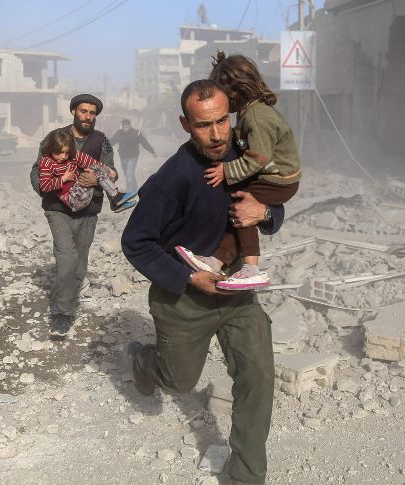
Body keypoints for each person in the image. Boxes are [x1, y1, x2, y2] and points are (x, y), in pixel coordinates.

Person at [121, 79, 286, 485]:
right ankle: (144, 360)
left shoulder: (248, 158)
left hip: (232, 289)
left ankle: (246, 475)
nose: (215, 135)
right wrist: (190, 276)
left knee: (258, 374)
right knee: (179, 382)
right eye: (202, 125)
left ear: (230, 116)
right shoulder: (171, 178)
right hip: (185, 295)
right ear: (185, 124)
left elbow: (274, 212)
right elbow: (135, 242)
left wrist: (262, 214)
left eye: (221, 122)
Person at [175, 51, 301, 290]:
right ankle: (216, 260)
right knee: (239, 215)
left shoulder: (257, 118)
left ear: (234, 93)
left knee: (241, 208)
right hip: (277, 177)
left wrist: (227, 171)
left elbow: (258, 158)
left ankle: (251, 267)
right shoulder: (250, 113)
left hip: (278, 179)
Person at [30, 94, 118, 338]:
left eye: (92, 113)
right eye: (83, 111)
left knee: (79, 262)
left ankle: (70, 296)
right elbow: (37, 171)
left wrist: (98, 181)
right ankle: (62, 313)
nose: (88, 116)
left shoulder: (102, 141)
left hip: (88, 210)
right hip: (58, 210)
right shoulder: (55, 138)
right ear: (73, 112)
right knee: (66, 259)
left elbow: (112, 172)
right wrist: (50, 189)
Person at [38, 128, 137, 213]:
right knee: (95, 171)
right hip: (72, 200)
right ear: (51, 149)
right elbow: (44, 186)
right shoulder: (47, 162)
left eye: (66, 153)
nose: (63, 156)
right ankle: (115, 198)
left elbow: (93, 163)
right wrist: (64, 179)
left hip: (81, 192)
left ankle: (115, 199)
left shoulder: (73, 155)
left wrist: (109, 172)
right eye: (59, 153)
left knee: (97, 167)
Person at [109, 118, 157, 193]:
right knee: (128, 175)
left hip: (133, 157)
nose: (125, 128)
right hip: (123, 157)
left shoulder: (136, 133)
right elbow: (111, 142)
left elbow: (144, 142)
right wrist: (103, 147)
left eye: (127, 127)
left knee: (129, 174)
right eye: (123, 127)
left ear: (130, 126)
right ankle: (135, 189)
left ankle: (130, 194)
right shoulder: (119, 133)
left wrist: (152, 151)